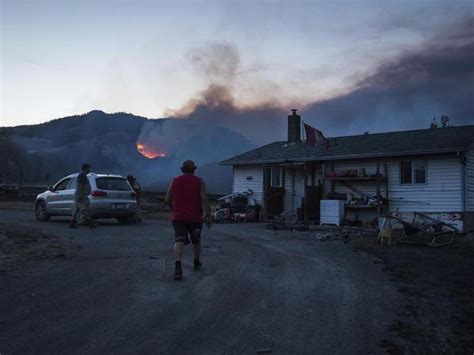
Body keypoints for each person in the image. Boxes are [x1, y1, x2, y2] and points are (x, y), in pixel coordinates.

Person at [165, 160, 211, 280]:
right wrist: (208, 216)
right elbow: (204, 199)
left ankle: (178, 268)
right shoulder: (199, 181)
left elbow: (167, 199)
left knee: (179, 240)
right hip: (195, 218)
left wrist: (174, 209)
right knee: (196, 240)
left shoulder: (175, 181)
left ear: (182, 170)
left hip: (179, 217)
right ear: (194, 170)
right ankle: (196, 263)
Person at [70, 163, 93, 229]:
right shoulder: (82, 175)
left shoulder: (82, 175)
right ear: (85, 169)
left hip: (79, 195)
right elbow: (80, 185)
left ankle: (72, 223)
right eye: (89, 169)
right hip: (82, 195)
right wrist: (81, 195)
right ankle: (90, 223)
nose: (89, 170)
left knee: (76, 209)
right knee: (87, 209)